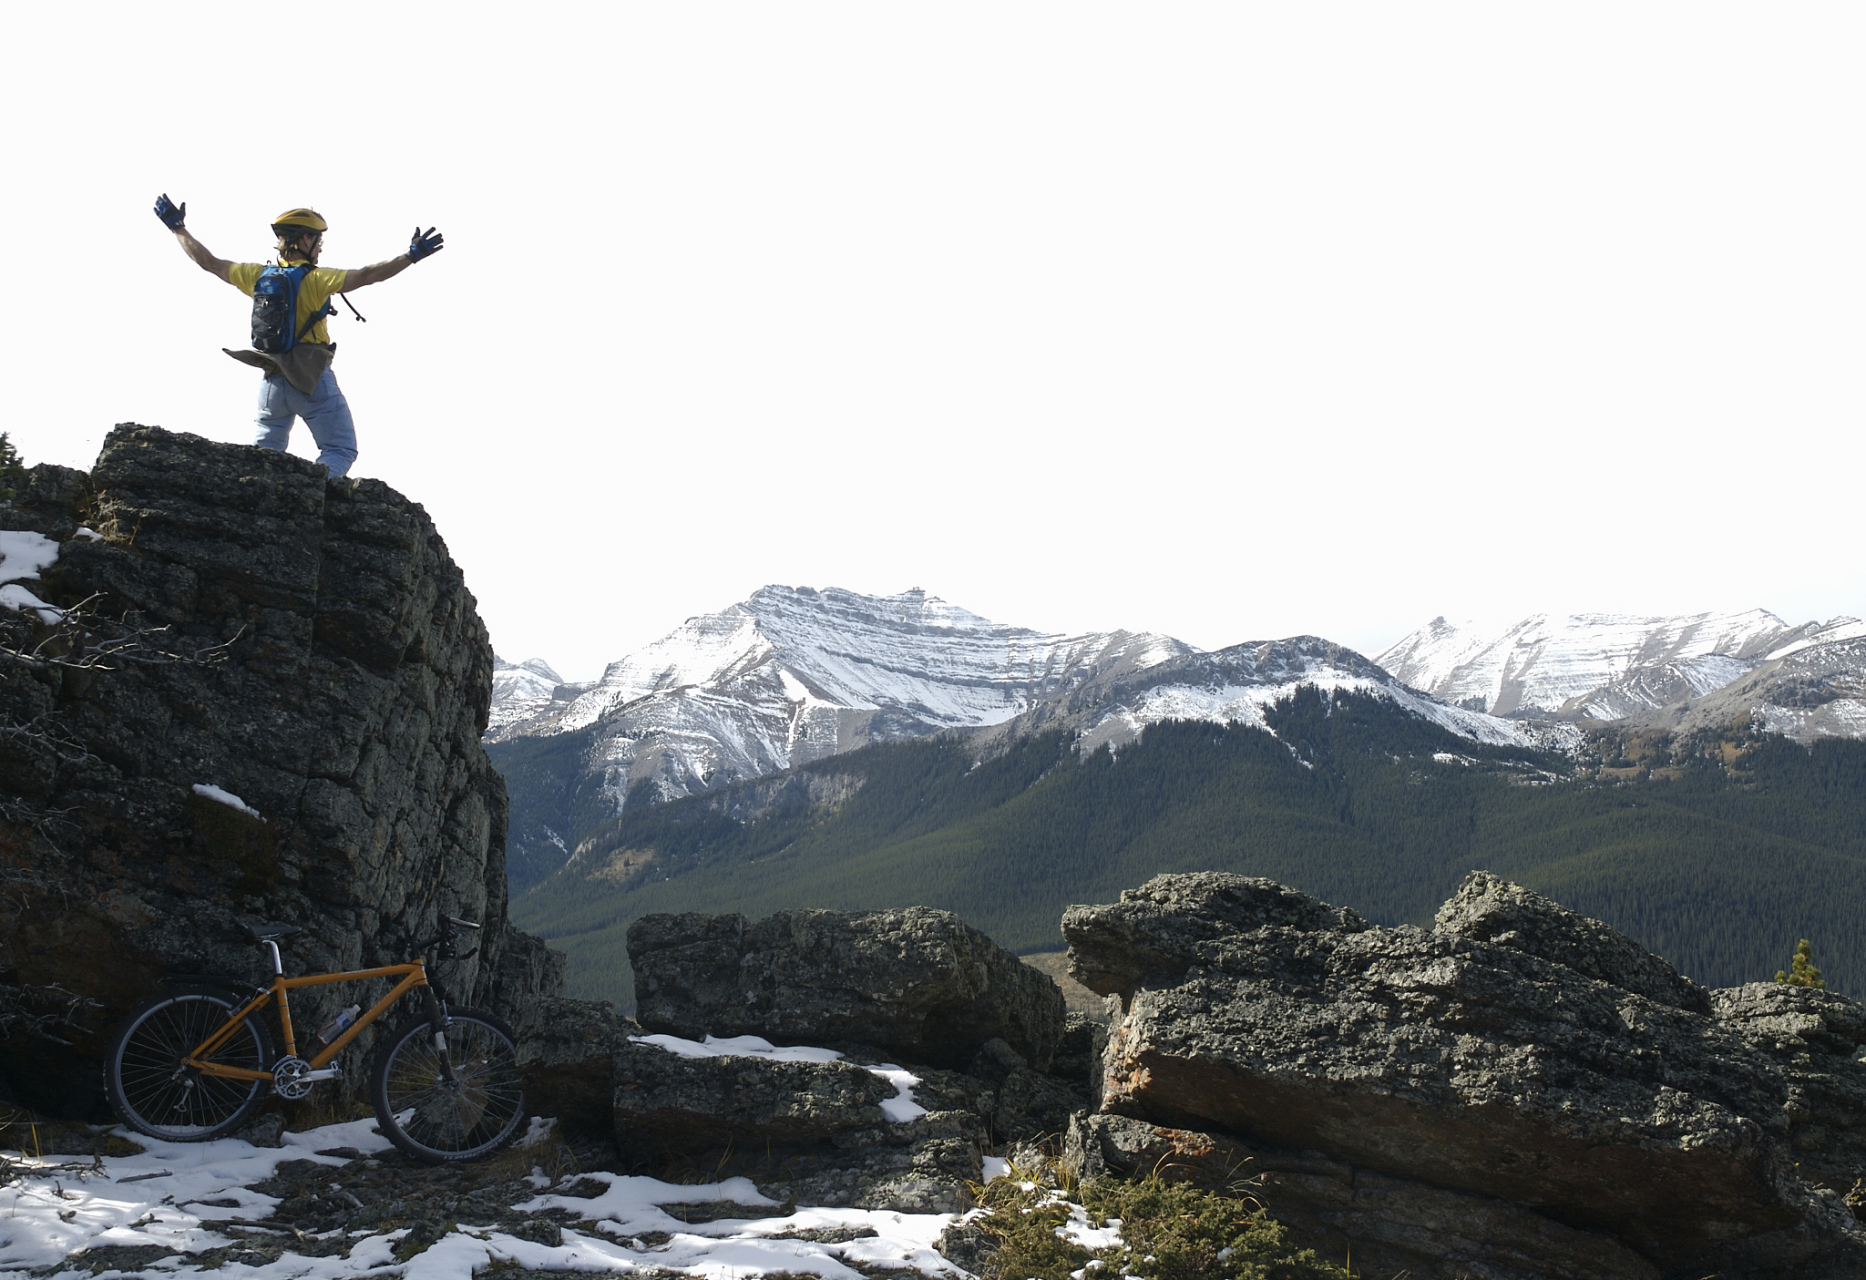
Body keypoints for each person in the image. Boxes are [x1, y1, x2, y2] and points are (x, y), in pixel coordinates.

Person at [153, 196, 443, 478]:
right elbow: (368, 275)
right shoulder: (317, 279)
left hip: (271, 381)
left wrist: (177, 227)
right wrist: (410, 256)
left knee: (263, 457)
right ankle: (312, 495)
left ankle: (255, 502)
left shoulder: (257, 275)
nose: (320, 248)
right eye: (318, 240)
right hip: (311, 379)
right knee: (340, 448)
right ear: (305, 240)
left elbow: (210, 262)